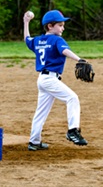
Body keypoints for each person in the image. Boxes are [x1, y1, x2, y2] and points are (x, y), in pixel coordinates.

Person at [23, 9, 89, 151]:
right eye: (60, 25)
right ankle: (73, 131)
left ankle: (34, 142)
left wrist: (26, 22)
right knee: (72, 98)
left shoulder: (38, 40)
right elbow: (64, 51)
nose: (63, 28)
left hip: (42, 79)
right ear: (50, 26)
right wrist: (79, 59)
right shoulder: (57, 40)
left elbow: (27, 40)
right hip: (50, 79)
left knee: (40, 112)